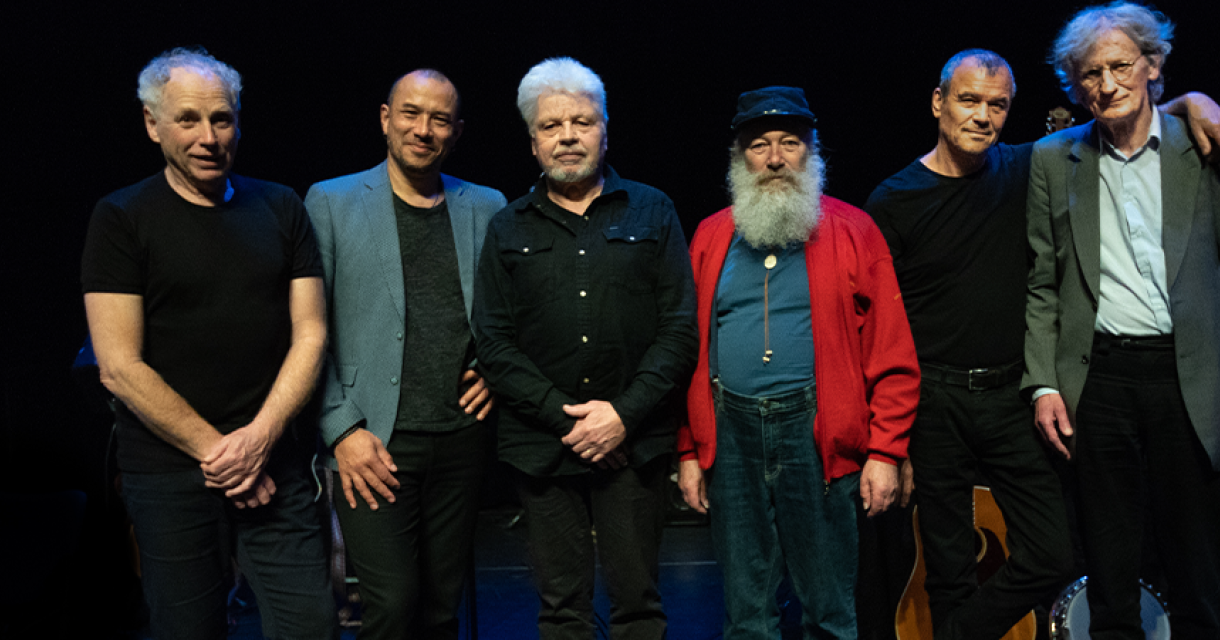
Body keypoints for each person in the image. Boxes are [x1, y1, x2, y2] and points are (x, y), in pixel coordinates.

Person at [81, 47, 335, 639]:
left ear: (238, 122)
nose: (208, 136)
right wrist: (222, 453)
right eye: (188, 119)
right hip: (170, 471)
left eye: (222, 119)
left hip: (273, 459)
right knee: (188, 630)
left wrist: (259, 440)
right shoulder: (121, 217)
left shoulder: (280, 206)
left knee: (311, 626)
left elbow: (312, 332)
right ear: (152, 124)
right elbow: (118, 366)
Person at [677, 86, 920, 639]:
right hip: (731, 437)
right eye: (760, 145)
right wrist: (689, 450)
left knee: (830, 611)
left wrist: (885, 451)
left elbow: (893, 353)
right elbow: (687, 353)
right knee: (746, 615)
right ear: (741, 157)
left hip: (818, 436)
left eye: (790, 142)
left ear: (812, 151)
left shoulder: (854, 230)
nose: (776, 157)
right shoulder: (711, 235)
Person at [472, 57, 698, 640]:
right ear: (531, 141)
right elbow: (493, 343)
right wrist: (568, 419)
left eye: (582, 121)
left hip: (633, 444)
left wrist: (621, 416)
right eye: (551, 125)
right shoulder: (507, 227)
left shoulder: (653, 210)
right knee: (561, 611)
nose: (568, 136)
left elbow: (679, 329)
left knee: (638, 606)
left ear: (605, 129)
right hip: (542, 447)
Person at [1024, 3, 1220, 638]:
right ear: (1075, 86)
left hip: (1185, 373)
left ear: (1153, 66)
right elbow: (1042, 281)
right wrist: (1045, 384)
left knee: (1196, 555)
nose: (1106, 84)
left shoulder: (1202, 143)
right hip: (1099, 377)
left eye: (1120, 66)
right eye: (1089, 73)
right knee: (1108, 557)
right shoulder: (1055, 159)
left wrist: (1201, 102)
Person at [864, 51, 1076, 640]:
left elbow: (1108, 125)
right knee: (948, 572)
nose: (983, 116)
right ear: (939, 103)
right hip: (933, 403)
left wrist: (1191, 102)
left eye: (998, 104)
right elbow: (882, 329)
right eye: (969, 100)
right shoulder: (893, 199)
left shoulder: (1023, 167)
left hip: (1012, 393)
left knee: (1053, 554)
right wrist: (893, 440)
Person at [304, 69, 505, 639]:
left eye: (439, 119)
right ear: (386, 119)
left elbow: (510, 312)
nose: (424, 129)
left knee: (442, 609)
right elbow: (306, 330)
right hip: (371, 440)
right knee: (392, 605)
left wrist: (493, 369)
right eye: (411, 114)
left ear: (457, 131)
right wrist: (340, 429)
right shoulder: (332, 200)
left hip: (460, 438)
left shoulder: (487, 206)